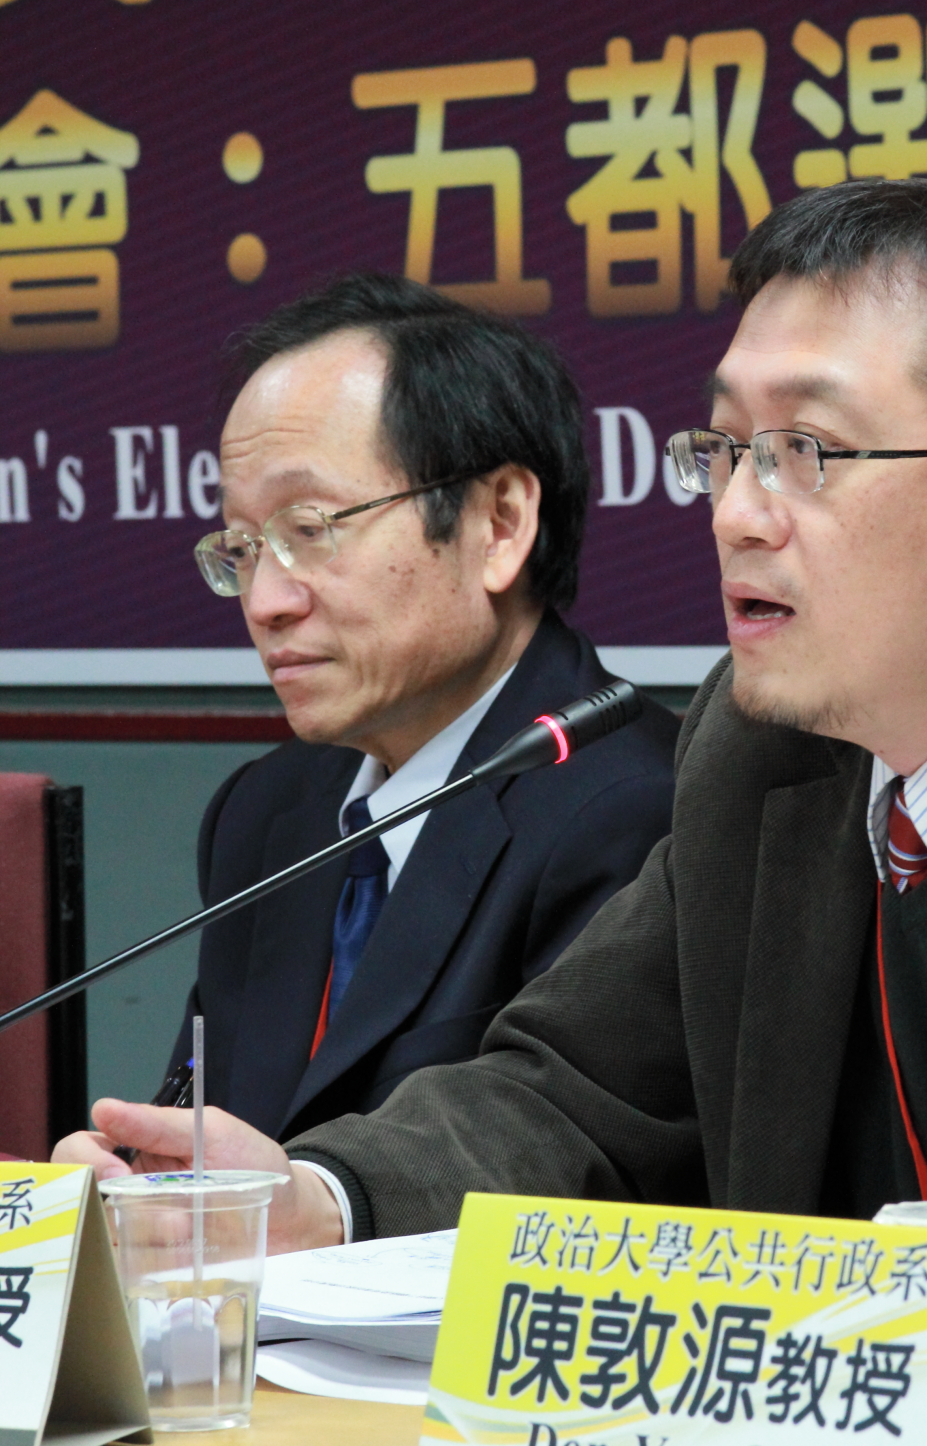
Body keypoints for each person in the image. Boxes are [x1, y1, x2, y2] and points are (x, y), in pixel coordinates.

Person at [63, 184, 927, 1329]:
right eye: (725, 448)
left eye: (806, 451)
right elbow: (575, 1093)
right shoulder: (769, 751)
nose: (736, 511)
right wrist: (319, 1197)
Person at [150, 272, 677, 1141]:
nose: (265, 601)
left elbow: (558, 1156)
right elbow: (205, 1115)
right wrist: (138, 1166)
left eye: (309, 530)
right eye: (241, 547)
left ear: (497, 523)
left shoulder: (633, 817)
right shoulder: (267, 811)